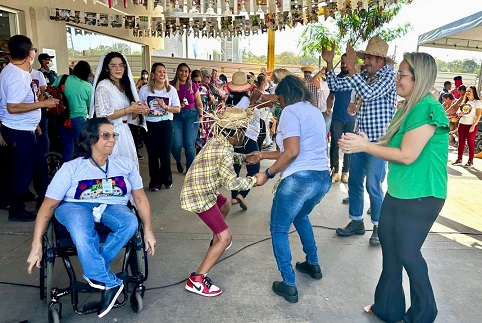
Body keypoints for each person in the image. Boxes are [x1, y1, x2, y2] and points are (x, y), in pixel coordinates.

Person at [338, 52, 449, 323]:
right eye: (398, 73)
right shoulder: (406, 107)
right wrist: (369, 141)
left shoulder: (427, 108)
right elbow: (391, 142)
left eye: (401, 75)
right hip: (400, 190)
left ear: (418, 78)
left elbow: (407, 154)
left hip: (423, 194)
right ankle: (388, 308)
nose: (396, 79)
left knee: (408, 253)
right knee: (390, 249)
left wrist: (365, 147)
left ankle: (423, 315)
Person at [26, 117, 156, 318]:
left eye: (113, 135)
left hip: (112, 205)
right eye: (105, 135)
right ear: (90, 140)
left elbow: (139, 199)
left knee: (129, 222)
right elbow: (48, 206)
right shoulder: (71, 168)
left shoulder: (126, 165)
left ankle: (95, 271)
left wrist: (147, 230)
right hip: (74, 206)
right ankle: (107, 280)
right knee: (80, 226)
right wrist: (36, 245)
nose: (112, 139)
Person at [249, 75, 331, 303]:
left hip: (300, 180)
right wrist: (263, 155)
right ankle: (313, 264)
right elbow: (292, 150)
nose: (279, 104)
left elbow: (292, 152)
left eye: (280, 99)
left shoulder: (290, 112)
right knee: (301, 216)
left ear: (286, 95)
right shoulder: (313, 111)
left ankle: (289, 284)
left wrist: (267, 173)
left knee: (278, 229)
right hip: (321, 178)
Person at [323, 36, 397, 245]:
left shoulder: (389, 76)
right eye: (363, 58)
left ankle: (378, 227)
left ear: (381, 59)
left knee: (373, 184)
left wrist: (354, 68)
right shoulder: (364, 74)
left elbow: (370, 94)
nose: (365, 62)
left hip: (379, 143)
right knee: (355, 182)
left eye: (368, 59)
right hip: (359, 139)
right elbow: (336, 84)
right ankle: (356, 221)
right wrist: (329, 63)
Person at [180, 107, 258, 297]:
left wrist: (243, 158)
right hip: (200, 195)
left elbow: (226, 158)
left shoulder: (219, 141)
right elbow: (231, 182)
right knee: (226, 237)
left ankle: (216, 240)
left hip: (203, 188)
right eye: (244, 130)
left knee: (225, 204)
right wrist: (255, 179)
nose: (245, 135)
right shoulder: (224, 150)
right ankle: (197, 280)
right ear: (238, 132)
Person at [0, 35, 59, 222]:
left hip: (27, 129)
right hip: (18, 131)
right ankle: (16, 209)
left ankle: (45, 201)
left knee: (40, 168)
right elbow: (13, 106)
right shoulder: (16, 76)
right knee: (23, 172)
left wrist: (36, 122)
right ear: (30, 54)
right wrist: (44, 104)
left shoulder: (12, 71)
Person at [89, 52, 148, 168]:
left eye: (121, 65)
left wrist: (138, 109)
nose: (118, 69)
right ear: (106, 68)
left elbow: (131, 117)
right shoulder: (103, 86)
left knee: (128, 167)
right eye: (113, 65)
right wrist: (129, 109)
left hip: (125, 133)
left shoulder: (124, 85)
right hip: (109, 134)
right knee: (113, 168)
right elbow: (103, 116)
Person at [138, 62, 181, 191]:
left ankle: (167, 179)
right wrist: (145, 109)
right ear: (153, 74)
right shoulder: (144, 90)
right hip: (150, 124)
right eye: (159, 71)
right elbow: (139, 106)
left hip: (165, 124)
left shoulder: (171, 90)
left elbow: (177, 109)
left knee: (165, 154)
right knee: (152, 155)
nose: (162, 74)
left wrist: (166, 107)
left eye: (164, 72)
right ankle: (155, 182)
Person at [226, 71, 259, 210]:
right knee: (254, 168)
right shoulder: (246, 101)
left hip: (235, 139)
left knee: (236, 167)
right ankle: (242, 194)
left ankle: (234, 196)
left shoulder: (230, 100)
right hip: (248, 137)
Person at [52, 60, 92, 162]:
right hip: (79, 120)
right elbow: (90, 105)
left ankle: (68, 173)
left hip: (61, 117)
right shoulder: (87, 86)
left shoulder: (62, 78)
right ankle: (82, 173)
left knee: (67, 148)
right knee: (83, 149)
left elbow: (51, 91)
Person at [327, 54, 357, 183]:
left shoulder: (356, 79)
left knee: (349, 146)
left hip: (351, 119)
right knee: (335, 145)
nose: (344, 65)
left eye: (346, 62)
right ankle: (335, 171)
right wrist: (328, 107)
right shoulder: (337, 79)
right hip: (337, 118)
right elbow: (331, 96)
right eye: (342, 63)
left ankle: (346, 172)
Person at [170, 63, 203, 173]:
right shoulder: (170, 85)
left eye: (186, 71)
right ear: (177, 72)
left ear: (189, 73)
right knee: (176, 145)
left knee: (189, 144)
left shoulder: (193, 86)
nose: (183, 73)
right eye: (181, 70)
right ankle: (178, 161)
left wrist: (201, 117)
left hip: (191, 115)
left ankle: (190, 169)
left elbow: (198, 102)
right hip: (175, 116)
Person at [451, 86, 482, 168]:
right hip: (462, 124)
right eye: (467, 91)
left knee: (470, 143)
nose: (467, 92)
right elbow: (458, 112)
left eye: (470, 91)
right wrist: (459, 113)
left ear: (474, 92)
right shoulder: (464, 101)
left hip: (471, 125)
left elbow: (478, 115)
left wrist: (473, 126)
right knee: (460, 142)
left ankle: (470, 161)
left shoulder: (477, 102)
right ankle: (459, 159)